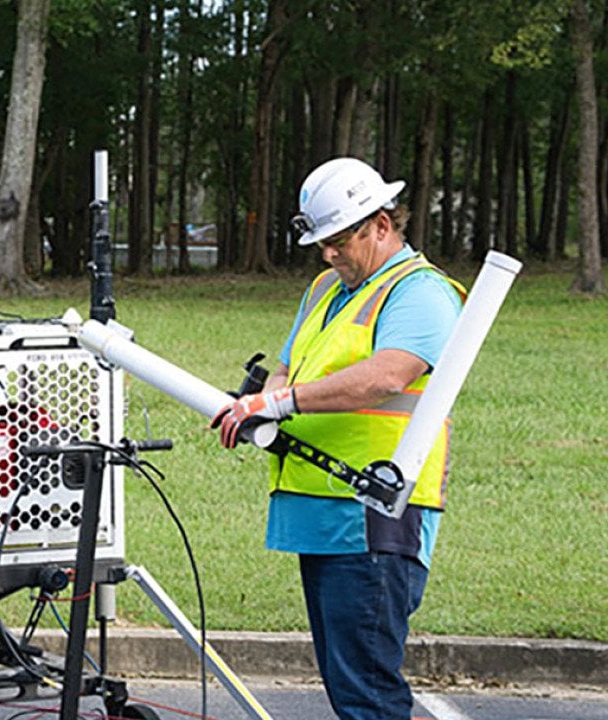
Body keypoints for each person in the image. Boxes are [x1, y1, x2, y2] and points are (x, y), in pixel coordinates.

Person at [210, 157, 466, 720]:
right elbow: (287, 367)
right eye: (321, 241)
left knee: (366, 692)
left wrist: (275, 402)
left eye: (339, 239)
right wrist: (261, 403)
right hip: (323, 512)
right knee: (348, 682)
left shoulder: (421, 293)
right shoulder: (327, 287)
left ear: (381, 224)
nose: (328, 253)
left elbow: (385, 376)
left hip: (375, 515)